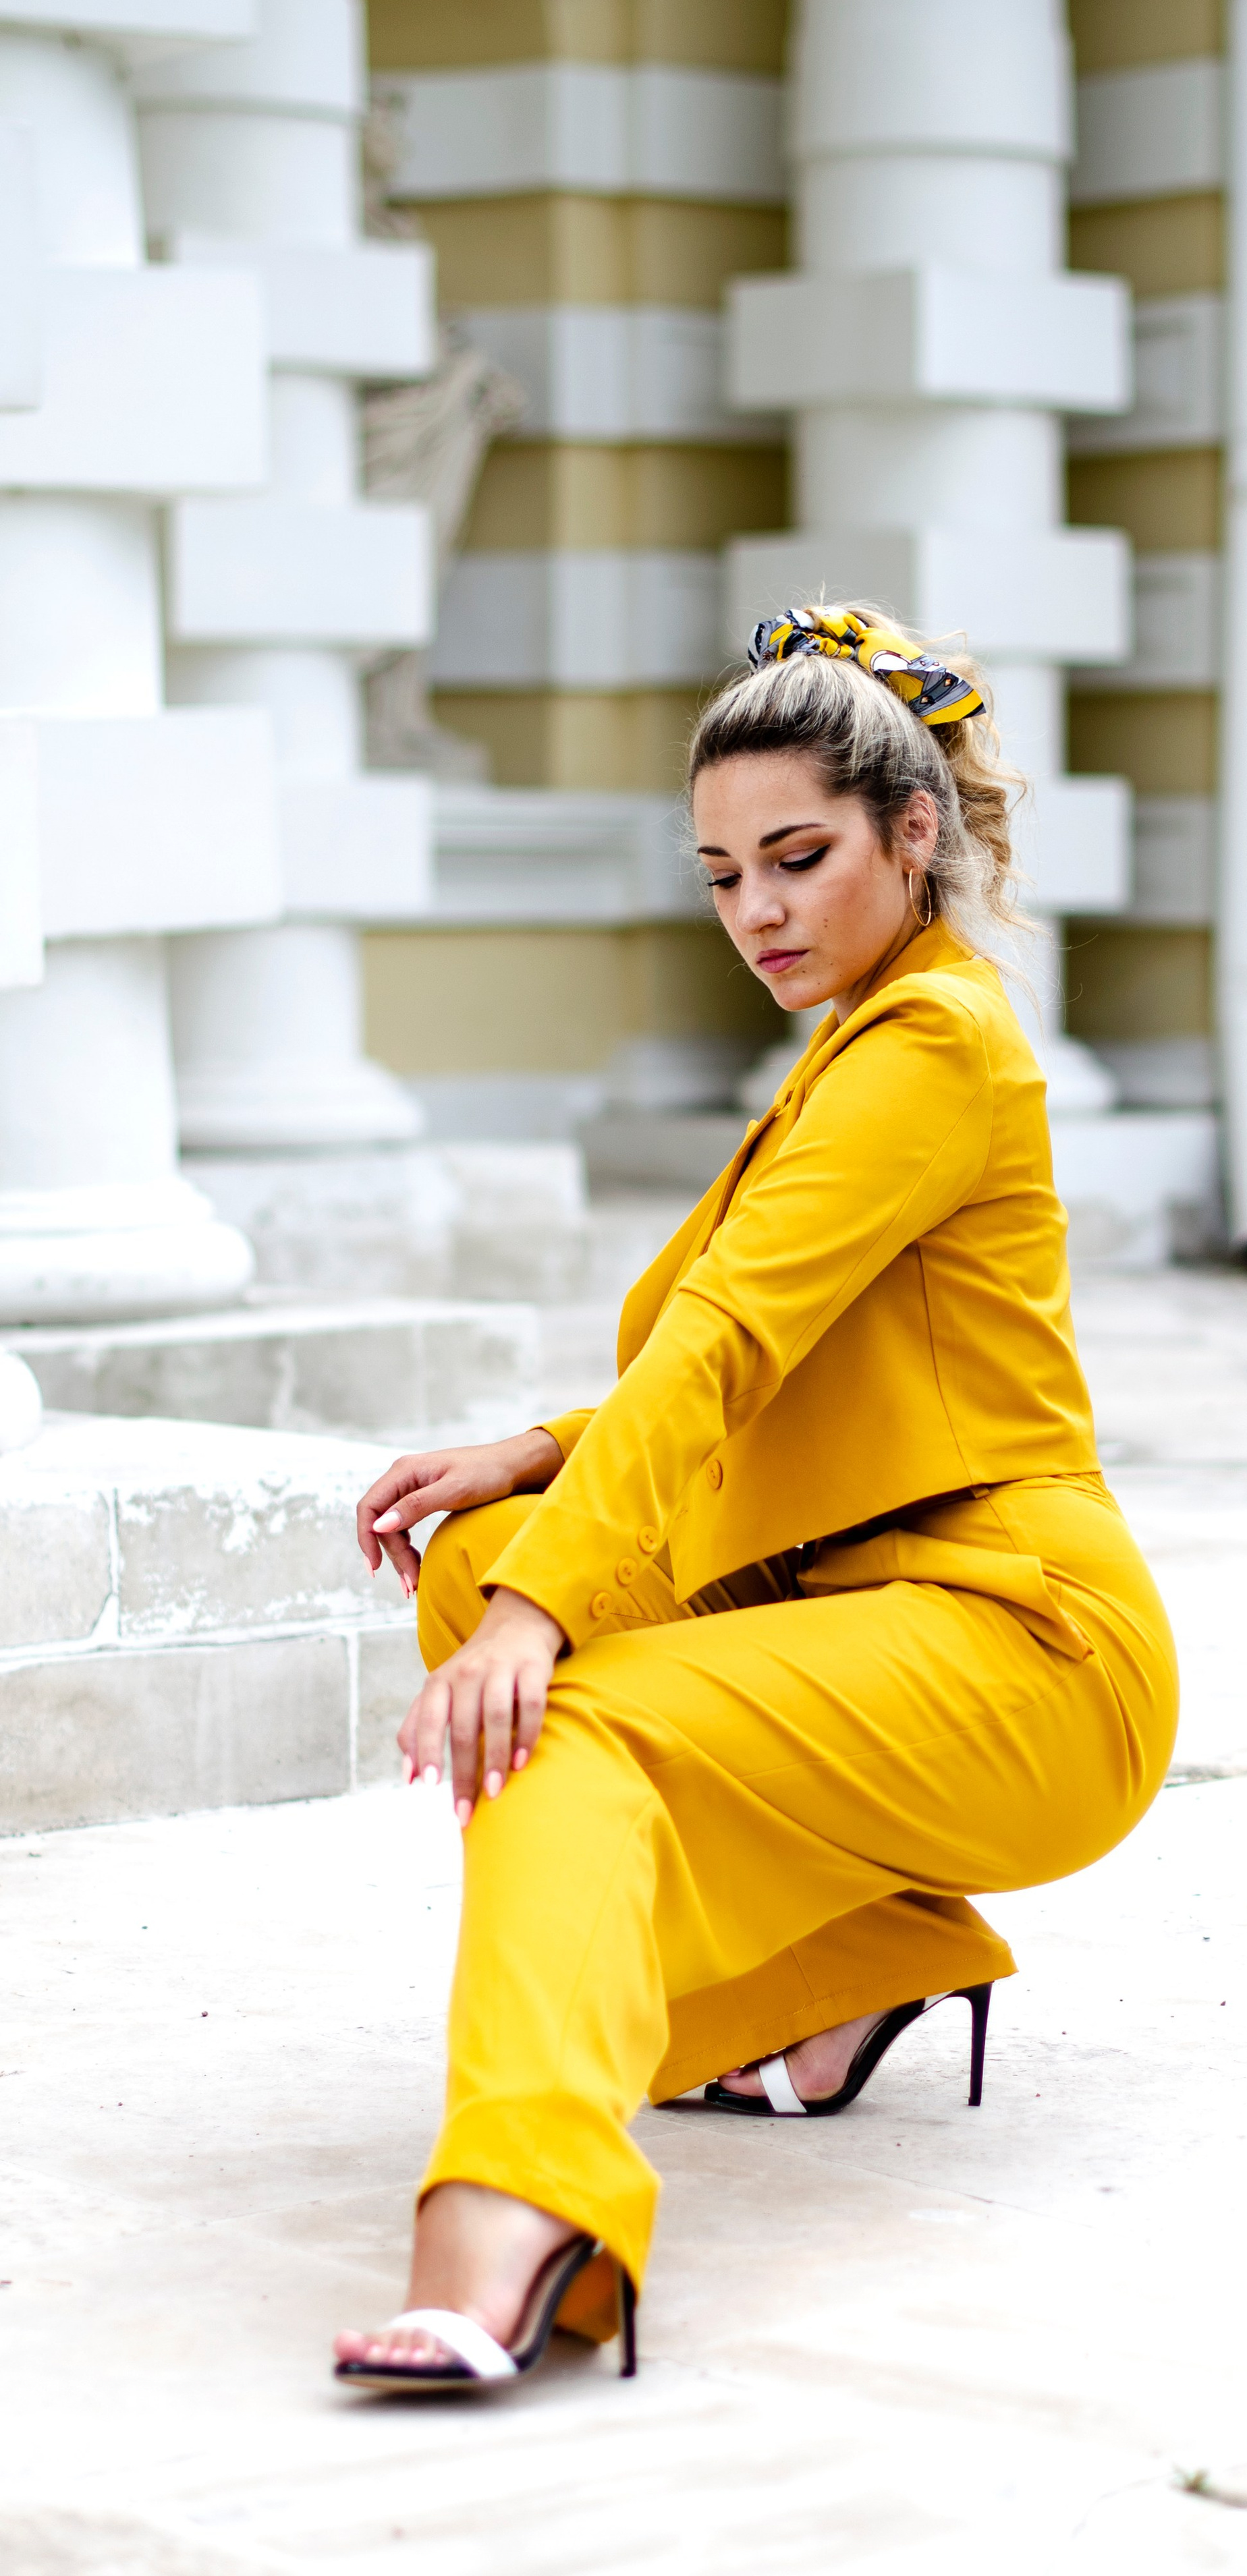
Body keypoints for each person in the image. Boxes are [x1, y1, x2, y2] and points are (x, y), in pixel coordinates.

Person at [332, 605, 1180, 2393]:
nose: (758, 913)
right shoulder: (859, 1045)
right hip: (863, 1595)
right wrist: (536, 1463)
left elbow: (730, 1338)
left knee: (561, 1705)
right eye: (723, 876)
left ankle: (515, 2205)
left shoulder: (934, 1041)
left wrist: (540, 1617)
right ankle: (843, 1970)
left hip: (1029, 1645)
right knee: (482, 1560)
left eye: (799, 859)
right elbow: (792, 1361)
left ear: (912, 834)